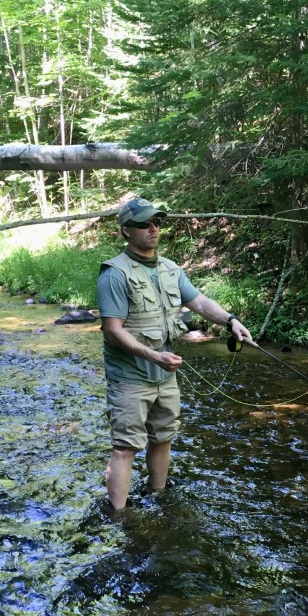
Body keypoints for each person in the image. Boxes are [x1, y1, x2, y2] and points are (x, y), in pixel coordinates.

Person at [97, 197, 254, 512]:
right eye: (144, 223)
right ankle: (118, 516)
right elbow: (112, 330)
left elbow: (200, 303)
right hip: (130, 377)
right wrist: (153, 356)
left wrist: (231, 320)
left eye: (157, 222)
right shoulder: (114, 274)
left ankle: (159, 497)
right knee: (126, 447)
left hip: (164, 375)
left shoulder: (171, 269)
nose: (153, 228)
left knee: (163, 437)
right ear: (126, 231)